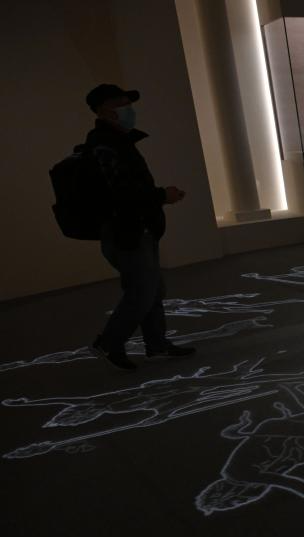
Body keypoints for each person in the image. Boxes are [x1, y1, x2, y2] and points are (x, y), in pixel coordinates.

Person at [84, 83, 193, 371]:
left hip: (139, 227)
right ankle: (108, 342)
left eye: (128, 104)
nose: (129, 110)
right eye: (121, 104)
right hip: (127, 230)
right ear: (104, 110)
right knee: (142, 292)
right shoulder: (103, 145)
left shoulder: (118, 141)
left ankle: (156, 345)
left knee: (152, 289)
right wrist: (162, 196)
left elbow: (129, 188)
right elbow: (122, 192)